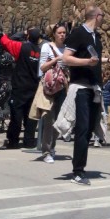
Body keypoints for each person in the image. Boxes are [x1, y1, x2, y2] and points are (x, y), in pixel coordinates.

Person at [60, 6, 110, 184]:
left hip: (94, 87)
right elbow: (66, 58)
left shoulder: (96, 37)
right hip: (81, 87)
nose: (104, 19)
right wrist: (87, 62)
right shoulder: (78, 33)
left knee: (89, 129)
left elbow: (94, 59)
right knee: (82, 128)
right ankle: (78, 172)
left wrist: (108, 60)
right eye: (103, 15)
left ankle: (80, 166)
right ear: (97, 16)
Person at [0, 26, 42, 149]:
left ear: (27, 36)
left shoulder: (21, 47)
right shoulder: (41, 52)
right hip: (34, 87)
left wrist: (6, 34)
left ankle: (13, 141)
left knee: (16, 114)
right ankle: (29, 141)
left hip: (20, 86)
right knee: (31, 115)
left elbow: (5, 42)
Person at [37, 23, 68, 163]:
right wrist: (55, 60)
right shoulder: (47, 47)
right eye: (60, 32)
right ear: (54, 34)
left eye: (64, 33)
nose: (62, 35)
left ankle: (52, 147)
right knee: (49, 119)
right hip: (49, 87)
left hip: (62, 87)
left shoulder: (67, 49)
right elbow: (42, 67)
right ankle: (46, 151)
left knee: (59, 120)